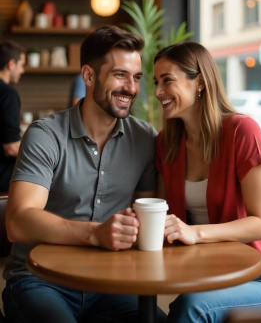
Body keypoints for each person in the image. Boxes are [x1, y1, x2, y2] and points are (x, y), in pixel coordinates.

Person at [2, 25, 166, 323]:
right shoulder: (45, 135)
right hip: (38, 280)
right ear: (89, 76)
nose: (131, 88)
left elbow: (146, 216)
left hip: (110, 283)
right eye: (120, 75)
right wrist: (95, 233)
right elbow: (18, 222)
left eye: (137, 77)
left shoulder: (144, 138)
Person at [153, 41, 261, 323]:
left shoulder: (242, 130)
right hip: (205, 272)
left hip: (260, 274)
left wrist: (197, 233)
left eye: (167, 81)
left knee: (192, 307)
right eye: (156, 82)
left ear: (201, 82)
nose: (157, 92)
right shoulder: (166, 143)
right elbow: (163, 217)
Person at [0, 40, 25, 193]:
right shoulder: (8, 93)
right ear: (11, 64)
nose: (23, 70)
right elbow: (11, 147)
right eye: (21, 65)